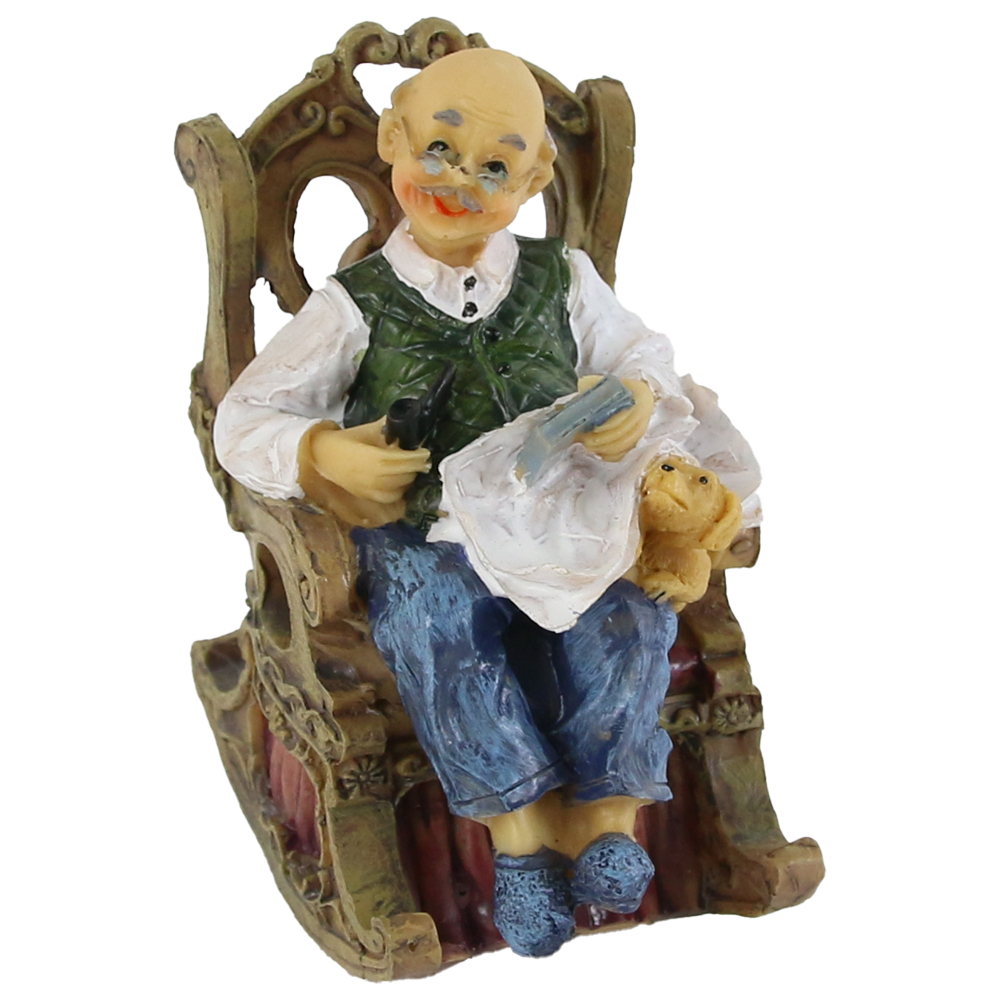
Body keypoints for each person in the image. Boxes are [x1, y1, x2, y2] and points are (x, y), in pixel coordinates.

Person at [214, 47, 760, 957]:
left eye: (496, 167)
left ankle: (612, 819)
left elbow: (644, 355)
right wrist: (318, 450)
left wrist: (634, 397)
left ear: (535, 179)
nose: (462, 181)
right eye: (439, 149)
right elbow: (243, 419)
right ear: (395, 140)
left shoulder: (563, 277)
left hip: (560, 514)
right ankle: (520, 841)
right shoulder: (357, 304)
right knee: (436, 622)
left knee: (629, 615)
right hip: (427, 528)